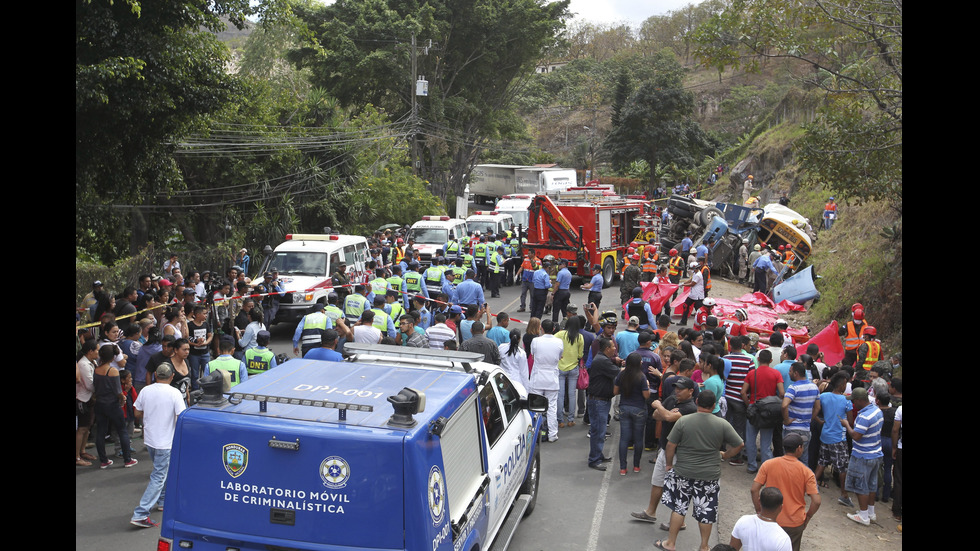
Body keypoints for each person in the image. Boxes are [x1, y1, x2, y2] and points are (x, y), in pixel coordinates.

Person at [657, 390, 745, 551]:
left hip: (684, 471)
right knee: (706, 511)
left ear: (697, 402)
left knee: (679, 507)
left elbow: (670, 445)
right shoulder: (722, 423)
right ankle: (704, 546)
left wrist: (669, 464)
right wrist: (725, 455)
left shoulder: (684, 421)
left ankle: (670, 543)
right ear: (713, 405)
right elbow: (739, 444)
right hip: (709, 475)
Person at [130, 364, 186, 528]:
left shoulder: (146, 390)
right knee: (158, 476)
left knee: (161, 471)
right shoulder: (174, 393)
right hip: (165, 441)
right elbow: (180, 416)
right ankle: (140, 513)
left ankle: (162, 501)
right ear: (172, 376)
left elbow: (137, 413)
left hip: (150, 440)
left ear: (155, 374)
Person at [751, 433, 820, 550]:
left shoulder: (768, 464)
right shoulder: (806, 472)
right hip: (794, 523)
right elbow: (817, 501)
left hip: (770, 518)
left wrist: (759, 509)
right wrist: (807, 517)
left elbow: (754, 489)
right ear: (799, 448)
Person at [840, 387, 884, 526]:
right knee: (871, 485)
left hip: (862, 455)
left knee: (860, 486)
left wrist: (847, 424)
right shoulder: (877, 410)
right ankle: (871, 512)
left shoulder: (864, 417)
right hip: (875, 453)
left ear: (859, 400)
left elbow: (856, 436)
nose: (853, 404)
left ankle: (863, 515)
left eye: (854, 401)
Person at [811, 372, 853, 507]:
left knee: (822, 461)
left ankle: (811, 487)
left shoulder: (823, 396)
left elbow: (815, 411)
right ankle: (844, 494)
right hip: (838, 437)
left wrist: (819, 420)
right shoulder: (846, 401)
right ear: (841, 385)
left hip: (825, 434)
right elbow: (850, 420)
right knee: (842, 467)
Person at [93, 344, 138, 469]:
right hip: (112, 404)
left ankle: (103, 460)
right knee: (122, 430)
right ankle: (127, 459)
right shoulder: (112, 371)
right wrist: (123, 398)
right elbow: (118, 390)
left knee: (101, 432)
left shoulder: (97, 369)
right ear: (113, 357)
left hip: (100, 404)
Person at [742, 349, 785, 474]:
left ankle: (751, 466)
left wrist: (749, 404)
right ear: (771, 361)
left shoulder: (752, 373)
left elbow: (743, 392)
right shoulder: (776, 374)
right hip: (769, 412)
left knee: (750, 440)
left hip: (754, 409)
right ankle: (766, 470)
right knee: (766, 443)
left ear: (758, 359)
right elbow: (782, 393)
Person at [586, 337, 619, 471]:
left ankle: (598, 454)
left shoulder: (602, 359)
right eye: (613, 347)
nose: (615, 349)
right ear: (607, 349)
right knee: (599, 431)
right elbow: (619, 373)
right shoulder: (602, 361)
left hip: (601, 400)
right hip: (598, 401)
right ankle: (594, 459)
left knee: (600, 430)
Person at [615, 352, 650, 475]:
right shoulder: (642, 376)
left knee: (624, 439)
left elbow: (615, 391)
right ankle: (636, 466)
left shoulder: (622, 375)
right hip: (639, 408)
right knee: (638, 439)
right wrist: (648, 388)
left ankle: (623, 468)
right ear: (637, 363)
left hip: (624, 407)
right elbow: (646, 395)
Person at [530, 319, 563, 442]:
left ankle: (535, 433)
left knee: (536, 408)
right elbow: (559, 357)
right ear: (553, 329)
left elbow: (533, 356)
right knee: (552, 407)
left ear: (541, 328)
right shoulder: (559, 342)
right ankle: (552, 434)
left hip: (538, 377)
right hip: (552, 379)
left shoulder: (536, 341)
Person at [781, 363, 819, 461]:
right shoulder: (814, 387)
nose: (789, 373)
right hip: (805, 430)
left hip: (791, 430)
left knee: (788, 460)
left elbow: (784, 405)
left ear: (796, 373)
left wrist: (786, 420)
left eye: (790, 371)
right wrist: (809, 419)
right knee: (804, 459)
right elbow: (817, 408)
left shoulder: (793, 388)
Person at [554, 316, 584, 428]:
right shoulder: (579, 337)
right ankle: (571, 419)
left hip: (560, 367)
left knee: (560, 394)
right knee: (572, 394)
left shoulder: (560, 334)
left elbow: (552, 343)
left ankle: (560, 420)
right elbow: (580, 355)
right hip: (573, 368)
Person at [551, 259, 573, 323]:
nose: (559, 265)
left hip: (560, 292)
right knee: (565, 309)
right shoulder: (569, 273)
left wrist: (553, 293)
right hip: (567, 291)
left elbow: (557, 284)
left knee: (556, 310)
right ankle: (566, 323)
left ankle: (555, 324)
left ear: (564, 265)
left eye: (560, 264)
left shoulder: (560, 273)